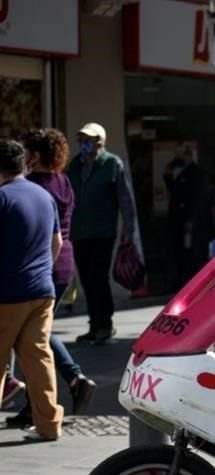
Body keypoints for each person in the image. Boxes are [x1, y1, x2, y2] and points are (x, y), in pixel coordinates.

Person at [5, 129, 97, 427]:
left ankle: (71, 377)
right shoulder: (60, 184)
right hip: (53, 271)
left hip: (23, 276)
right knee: (36, 345)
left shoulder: (18, 190)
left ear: (33, 155)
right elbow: (57, 236)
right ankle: (46, 415)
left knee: (29, 342)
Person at [0, 139, 65, 441]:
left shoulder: (2, 198)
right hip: (42, 290)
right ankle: (49, 424)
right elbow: (57, 243)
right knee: (38, 357)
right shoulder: (43, 196)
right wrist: (41, 271)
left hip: (7, 293)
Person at [65, 123, 136, 345]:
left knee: (98, 276)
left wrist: (128, 230)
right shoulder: (75, 165)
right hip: (79, 231)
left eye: (89, 139)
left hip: (103, 231)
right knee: (86, 278)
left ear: (100, 142)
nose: (84, 144)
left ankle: (105, 323)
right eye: (82, 139)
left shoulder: (112, 164)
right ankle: (94, 324)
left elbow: (125, 199)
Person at [164, 145, 207, 289]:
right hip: (177, 218)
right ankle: (178, 280)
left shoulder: (196, 173)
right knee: (178, 251)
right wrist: (168, 176)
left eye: (181, 155)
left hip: (189, 219)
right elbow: (175, 192)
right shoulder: (180, 173)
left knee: (191, 251)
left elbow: (197, 198)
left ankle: (191, 281)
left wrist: (191, 219)